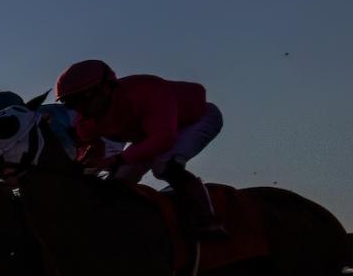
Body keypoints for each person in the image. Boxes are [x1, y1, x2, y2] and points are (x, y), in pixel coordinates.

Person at [53, 60, 226, 239]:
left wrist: (116, 160)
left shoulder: (147, 90)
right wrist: (84, 165)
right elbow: (93, 153)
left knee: (165, 164)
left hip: (195, 120)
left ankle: (207, 220)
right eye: (70, 102)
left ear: (106, 87)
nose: (79, 108)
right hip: (150, 134)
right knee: (119, 180)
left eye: (83, 97)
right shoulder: (86, 121)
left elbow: (164, 139)